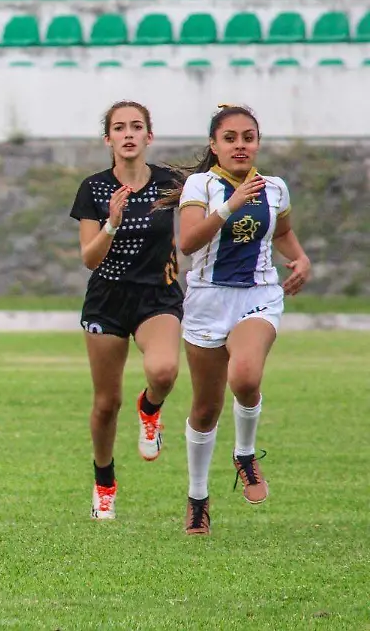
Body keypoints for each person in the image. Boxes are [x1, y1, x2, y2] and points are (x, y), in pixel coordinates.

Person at [166, 104, 311, 535]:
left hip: (259, 295)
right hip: (208, 299)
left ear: (258, 143)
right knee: (205, 409)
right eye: (230, 138)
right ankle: (197, 499)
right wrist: (229, 205)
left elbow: (282, 233)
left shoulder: (276, 188)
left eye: (248, 137)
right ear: (214, 146)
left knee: (245, 377)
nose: (240, 145)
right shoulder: (201, 185)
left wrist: (300, 259)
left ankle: (245, 454)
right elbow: (189, 242)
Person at [69, 101, 184, 521]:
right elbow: (89, 258)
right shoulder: (94, 189)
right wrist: (111, 222)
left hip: (158, 296)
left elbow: (198, 217)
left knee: (164, 372)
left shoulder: (172, 183)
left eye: (137, 126)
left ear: (149, 136)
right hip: (108, 300)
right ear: (109, 139)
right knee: (106, 403)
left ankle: (151, 407)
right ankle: (104, 483)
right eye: (120, 128)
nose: (129, 134)